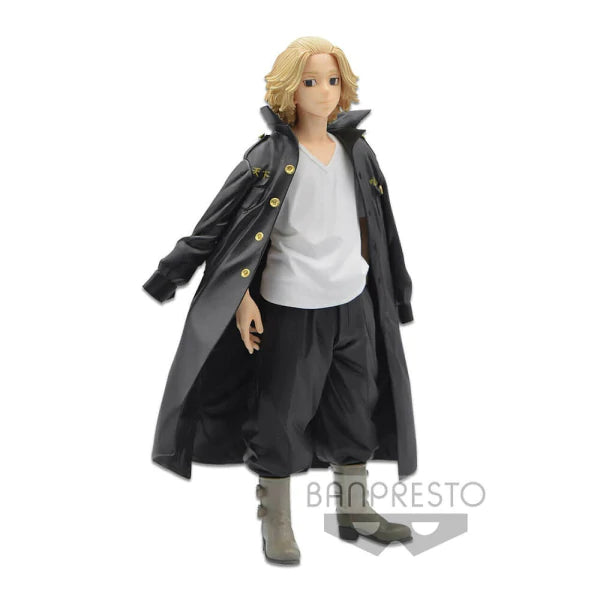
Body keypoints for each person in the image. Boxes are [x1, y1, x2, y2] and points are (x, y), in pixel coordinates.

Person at [235, 37, 413, 566]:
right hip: (291, 306)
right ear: (289, 89)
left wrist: (388, 290)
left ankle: (355, 511)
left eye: (332, 80)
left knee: (356, 406)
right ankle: (276, 519)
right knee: (282, 412)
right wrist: (242, 298)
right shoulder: (270, 156)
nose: (324, 92)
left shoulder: (356, 150)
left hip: (352, 302)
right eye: (310, 81)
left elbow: (378, 223)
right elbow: (232, 233)